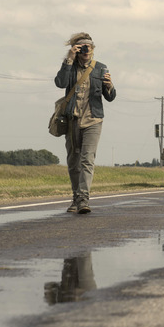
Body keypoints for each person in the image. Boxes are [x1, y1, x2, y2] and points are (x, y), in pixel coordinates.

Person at [54, 32, 116, 214]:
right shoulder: (70, 67)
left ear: (93, 49)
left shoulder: (100, 68)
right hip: (72, 119)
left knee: (87, 160)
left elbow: (110, 97)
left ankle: (83, 199)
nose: (86, 50)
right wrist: (69, 59)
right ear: (77, 49)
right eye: (82, 47)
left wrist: (110, 86)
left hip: (93, 120)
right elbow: (60, 83)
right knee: (73, 162)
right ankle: (75, 198)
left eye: (89, 47)